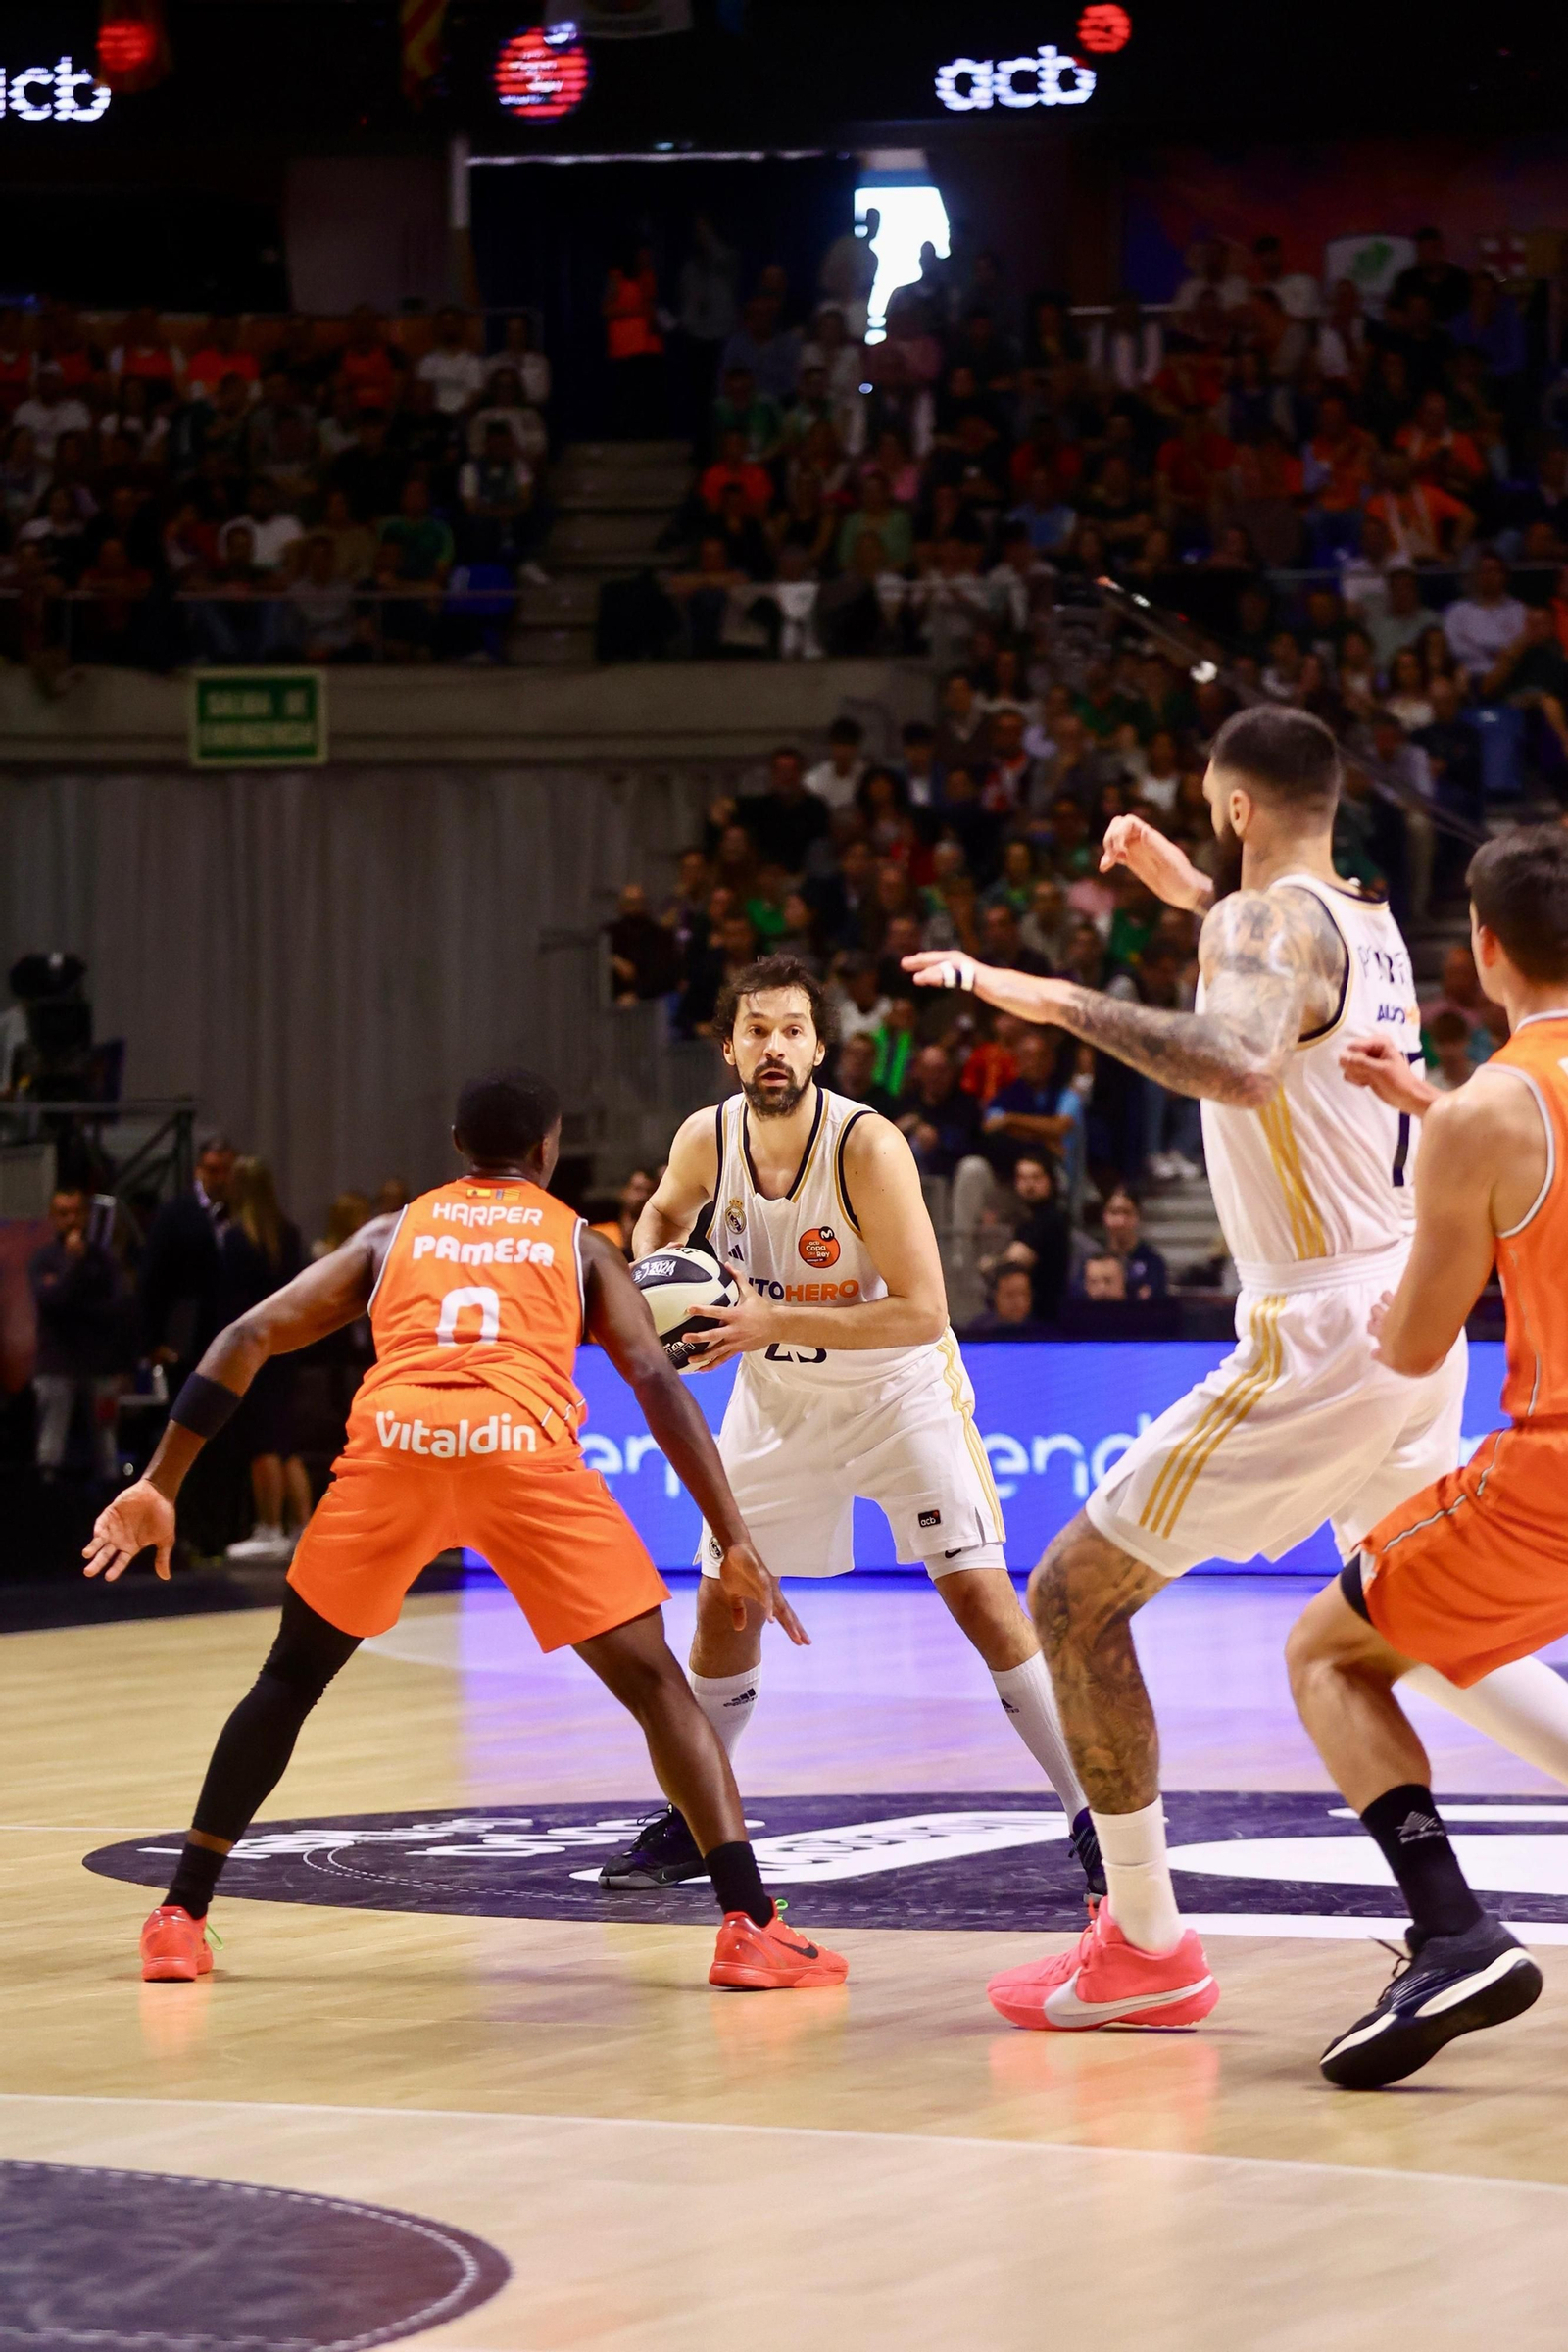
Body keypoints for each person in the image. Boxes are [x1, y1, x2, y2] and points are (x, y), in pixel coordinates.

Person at [904, 706, 1568, 2033]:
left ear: (1233, 803)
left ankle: (1144, 1942)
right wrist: (1196, 894)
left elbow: (1249, 1059)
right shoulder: (1364, 922)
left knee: (1074, 1597)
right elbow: (1290, 983)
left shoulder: (1260, 928)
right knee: (1417, 1625)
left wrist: (1034, 992)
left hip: (1327, 1330)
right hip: (1403, 1309)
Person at [86, 1069, 843, 1997]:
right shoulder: (578, 1240)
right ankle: (750, 1927)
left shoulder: (389, 1232)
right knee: (655, 1687)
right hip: (519, 1453)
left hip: (395, 1447)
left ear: (456, 1145)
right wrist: (735, 1537)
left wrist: (160, 1480)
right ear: (549, 1149)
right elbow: (653, 1380)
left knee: (288, 1680)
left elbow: (246, 1336)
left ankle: (179, 1917)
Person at [595, 955, 1103, 1902]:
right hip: (778, 1401)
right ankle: (694, 1818)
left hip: (896, 1390)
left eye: (792, 1029)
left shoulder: (866, 1147)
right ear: (729, 1047)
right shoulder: (706, 1137)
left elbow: (923, 1309)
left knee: (980, 1595)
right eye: (757, 1030)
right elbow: (663, 1209)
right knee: (724, 1603)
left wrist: (766, 1319)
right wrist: (663, 1277)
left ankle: (1092, 1816)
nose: (774, 1046)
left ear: (821, 1047)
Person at [1285, 827, 1568, 2086]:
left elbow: (1407, 1346)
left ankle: (1453, 1934)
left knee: (1327, 1655)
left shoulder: (1495, 1110)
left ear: (1482, 951)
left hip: (1554, 1484)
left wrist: (1433, 1171)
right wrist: (1438, 1118)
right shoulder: (1477, 1111)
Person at [219, 1158, 310, 1565]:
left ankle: (270, 1527)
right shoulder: (289, 1234)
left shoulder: (236, 1237)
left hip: (254, 1348)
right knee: (286, 1444)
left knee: (262, 1443)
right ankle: (303, 1527)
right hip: (288, 1345)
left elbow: (231, 1304)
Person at [29, 1188, 124, 1483]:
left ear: (86, 1215)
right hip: (56, 1362)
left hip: (98, 1364)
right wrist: (73, 1266)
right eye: (63, 1213)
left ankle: (108, 1501)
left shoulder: (104, 1260)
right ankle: (47, 1496)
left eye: (76, 1212)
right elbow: (51, 1301)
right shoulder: (43, 1259)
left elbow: (116, 1308)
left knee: (106, 1446)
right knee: (50, 1445)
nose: (71, 1220)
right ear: (52, 1217)